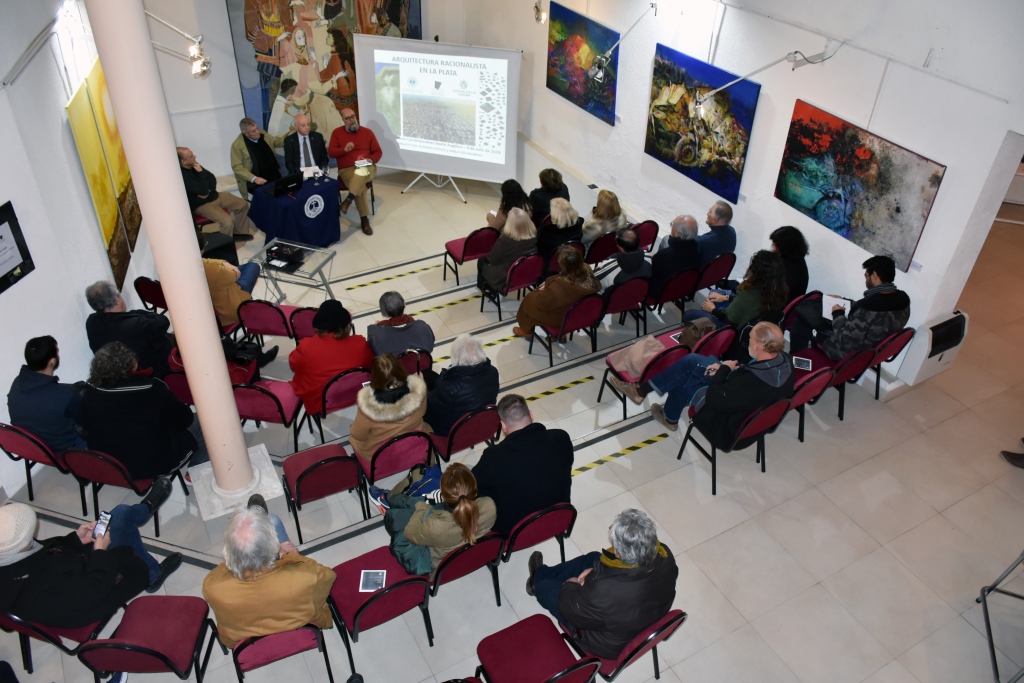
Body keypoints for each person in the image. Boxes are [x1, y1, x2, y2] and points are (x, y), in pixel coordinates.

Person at [0, 485, 182, 630]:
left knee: (119, 515)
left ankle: (145, 509)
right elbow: (93, 590)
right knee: (123, 526)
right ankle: (153, 574)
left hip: (79, 570)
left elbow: (45, 552)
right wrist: (101, 553)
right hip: (93, 597)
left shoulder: (14, 557)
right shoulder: (32, 591)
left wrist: (76, 539)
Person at [525, 509, 677, 660]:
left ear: (618, 552)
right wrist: (594, 572)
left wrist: (571, 585)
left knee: (546, 587)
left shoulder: (602, 592)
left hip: (602, 641)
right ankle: (541, 574)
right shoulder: (664, 555)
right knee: (593, 558)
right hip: (640, 614)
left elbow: (572, 611)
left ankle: (537, 581)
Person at [610, 322, 795, 435]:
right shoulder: (784, 362)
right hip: (742, 397)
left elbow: (717, 397)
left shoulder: (749, 380)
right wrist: (730, 368)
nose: (748, 340)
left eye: (751, 338)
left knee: (687, 375)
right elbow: (749, 380)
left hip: (724, 416)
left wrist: (722, 370)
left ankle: (651, 400)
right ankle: (661, 409)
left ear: (760, 346)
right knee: (693, 362)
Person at [203, 495, 335, 648]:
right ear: (273, 548)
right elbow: (329, 576)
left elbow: (224, 569)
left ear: (229, 552)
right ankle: (262, 520)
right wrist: (290, 556)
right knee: (274, 521)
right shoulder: (307, 577)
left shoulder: (212, 587)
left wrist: (235, 558)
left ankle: (256, 521)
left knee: (272, 520)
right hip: (300, 628)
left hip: (248, 644)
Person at [80, 343, 209, 481]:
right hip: (148, 465)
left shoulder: (89, 393)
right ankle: (196, 474)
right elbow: (185, 419)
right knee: (203, 424)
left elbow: (83, 424)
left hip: (108, 462)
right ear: (132, 365)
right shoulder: (152, 389)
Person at [471, 394, 573, 536]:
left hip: (514, 530)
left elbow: (472, 484)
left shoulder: (494, 456)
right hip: (558, 518)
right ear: (531, 415)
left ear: (503, 426)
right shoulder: (561, 437)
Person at [790, 255, 911, 360]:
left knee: (799, 325)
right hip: (871, 346)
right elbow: (874, 313)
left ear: (874, 275)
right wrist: (843, 300)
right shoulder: (903, 300)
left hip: (845, 352)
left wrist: (837, 314)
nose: (865, 281)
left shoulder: (868, 307)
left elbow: (844, 339)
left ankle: (794, 363)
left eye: (866, 276)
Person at [382, 463, 496, 572]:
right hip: (472, 554)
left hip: (439, 561)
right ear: (474, 491)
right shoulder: (489, 506)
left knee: (397, 515)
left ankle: (390, 498)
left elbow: (409, 533)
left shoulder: (433, 526)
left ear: (442, 496)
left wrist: (422, 507)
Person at [289, 300, 373, 415]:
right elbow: (371, 367)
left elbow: (293, 364)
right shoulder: (360, 343)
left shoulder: (306, 346)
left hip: (321, 402)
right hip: (354, 394)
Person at [7, 336, 83, 452]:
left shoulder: (17, 383)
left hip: (33, 448)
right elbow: (87, 421)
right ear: (52, 361)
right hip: (63, 450)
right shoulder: (66, 396)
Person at [85, 280, 175, 378]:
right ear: (117, 300)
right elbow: (163, 321)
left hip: (124, 375)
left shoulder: (91, 322)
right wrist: (137, 312)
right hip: (158, 369)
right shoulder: (136, 324)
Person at [349, 353, 427, 464]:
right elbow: (423, 411)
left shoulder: (368, 409)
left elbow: (358, 435)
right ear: (400, 369)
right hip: (414, 441)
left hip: (381, 453)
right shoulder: (419, 391)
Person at [684, 250, 789, 331]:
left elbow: (728, 319)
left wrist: (712, 309)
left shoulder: (748, 293)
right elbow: (750, 304)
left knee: (688, 314)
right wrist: (726, 297)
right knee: (716, 295)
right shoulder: (779, 290)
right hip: (754, 325)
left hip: (731, 328)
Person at [514, 245, 602, 338]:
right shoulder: (587, 269)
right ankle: (561, 334)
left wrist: (537, 292)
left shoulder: (557, 288)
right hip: (577, 313)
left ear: (563, 265)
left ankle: (525, 330)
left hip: (561, 317)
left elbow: (541, 304)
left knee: (529, 301)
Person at [423, 334, 499, 437]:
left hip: (451, 430)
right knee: (428, 375)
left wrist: (419, 388)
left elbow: (430, 405)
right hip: (480, 423)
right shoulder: (493, 372)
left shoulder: (450, 387)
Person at [178, 147, 254, 241]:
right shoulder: (182, 176)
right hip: (202, 204)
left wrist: (208, 190)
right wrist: (201, 175)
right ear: (184, 161)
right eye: (191, 156)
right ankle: (224, 244)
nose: (195, 156)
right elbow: (203, 190)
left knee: (242, 204)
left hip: (214, 196)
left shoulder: (195, 165)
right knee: (226, 222)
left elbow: (211, 178)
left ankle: (239, 233)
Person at [328, 108, 382, 235]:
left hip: (368, 166)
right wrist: (344, 150)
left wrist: (371, 159)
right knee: (360, 187)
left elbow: (378, 152)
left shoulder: (367, 132)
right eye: (348, 118)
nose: (352, 120)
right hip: (347, 169)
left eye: (353, 116)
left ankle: (348, 200)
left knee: (362, 170)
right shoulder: (337, 133)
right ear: (343, 120)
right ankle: (364, 219)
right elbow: (331, 153)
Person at [478, 207, 538, 292]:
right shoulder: (534, 236)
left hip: (505, 277)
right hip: (525, 271)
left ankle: (486, 289)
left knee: (482, 261)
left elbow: (492, 259)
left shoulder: (505, 240)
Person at [230, 118, 288, 198]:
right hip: (257, 182)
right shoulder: (237, 146)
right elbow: (237, 168)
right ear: (246, 134)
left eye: (257, 128)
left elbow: (277, 141)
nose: (257, 132)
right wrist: (254, 178)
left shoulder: (263, 134)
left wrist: (293, 136)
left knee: (282, 198)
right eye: (253, 131)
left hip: (274, 175)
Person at [367, 291, 436, 357]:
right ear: (404, 305)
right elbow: (429, 347)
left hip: (395, 369)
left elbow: (376, 354)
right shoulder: (422, 327)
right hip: (420, 367)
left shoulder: (378, 335)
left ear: (385, 313)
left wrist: (378, 327)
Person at [649, 215, 701, 299]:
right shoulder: (696, 250)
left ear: (677, 232)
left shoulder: (665, 254)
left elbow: (652, 272)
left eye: (672, 224)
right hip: (681, 289)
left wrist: (654, 258)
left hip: (660, 292)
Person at [202, 257, 262, 327]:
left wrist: (223, 263)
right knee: (253, 266)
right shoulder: (212, 270)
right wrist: (228, 266)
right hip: (231, 312)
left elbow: (205, 260)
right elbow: (235, 275)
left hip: (210, 312)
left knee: (240, 268)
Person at [536, 198, 584, 264]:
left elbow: (539, 249)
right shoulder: (579, 223)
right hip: (572, 259)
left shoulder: (546, 231)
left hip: (552, 263)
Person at [770, 226, 809, 303]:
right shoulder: (796, 260)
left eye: (775, 245)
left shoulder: (791, 270)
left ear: (785, 247)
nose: (774, 249)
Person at [696, 201, 737, 266]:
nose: (707, 213)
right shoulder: (732, 232)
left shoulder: (703, 241)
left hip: (701, 274)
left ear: (715, 220)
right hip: (718, 273)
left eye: (710, 212)